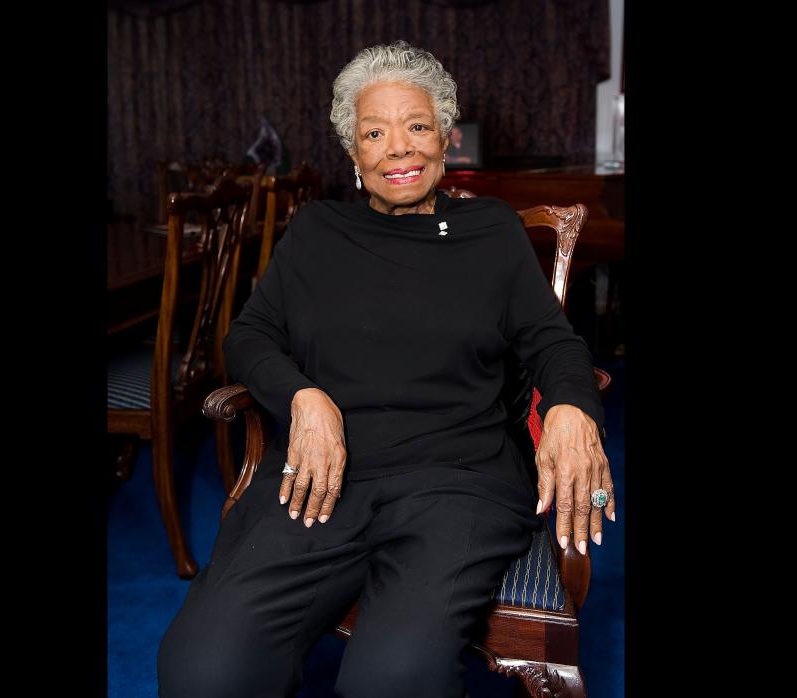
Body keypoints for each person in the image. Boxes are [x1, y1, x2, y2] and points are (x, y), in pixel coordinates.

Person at [158, 40, 615, 698]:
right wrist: (304, 398)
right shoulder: (316, 232)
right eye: (375, 132)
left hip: (457, 485)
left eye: (417, 126)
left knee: (392, 680)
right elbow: (250, 335)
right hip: (323, 479)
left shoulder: (489, 232)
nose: (398, 148)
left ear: (445, 139)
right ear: (354, 153)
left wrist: (571, 407)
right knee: (202, 669)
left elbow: (553, 340)